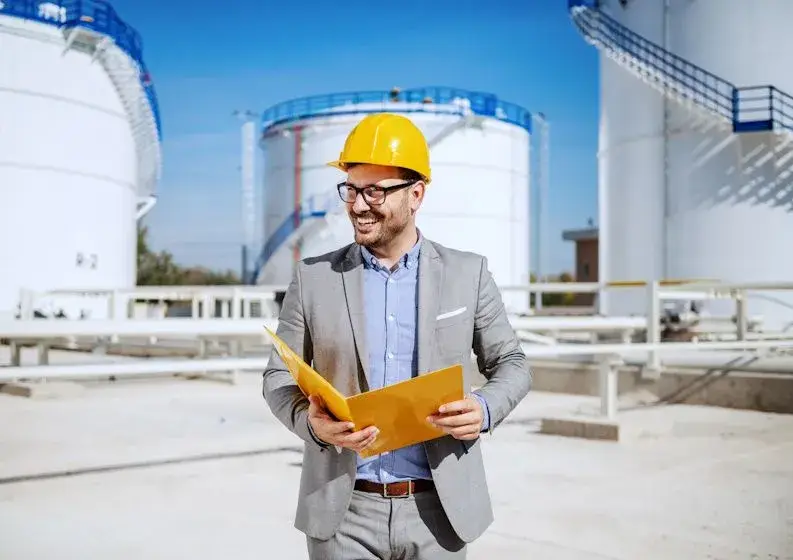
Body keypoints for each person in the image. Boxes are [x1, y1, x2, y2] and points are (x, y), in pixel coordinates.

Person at [262, 112, 532, 559]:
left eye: (374, 191)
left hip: (439, 514)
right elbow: (277, 378)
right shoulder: (312, 278)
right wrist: (312, 424)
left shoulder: (469, 274)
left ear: (416, 194)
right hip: (343, 514)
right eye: (350, 189)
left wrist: (484, 409)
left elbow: (513, 364)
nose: (357, 205)